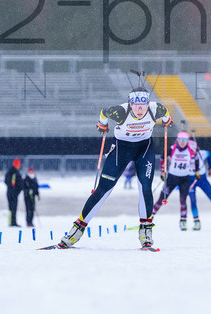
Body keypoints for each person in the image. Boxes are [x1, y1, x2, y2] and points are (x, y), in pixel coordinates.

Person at [57, 86, 171, 250]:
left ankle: (146, 233)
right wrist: (102, 124)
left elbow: (166, 114)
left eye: (143, 105)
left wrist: (167, 120)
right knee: (103, 189)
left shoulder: (156, 109)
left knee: (146, 188)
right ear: (130, 104)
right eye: (136, 105)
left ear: (148, 104)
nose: (140, 109)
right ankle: (76, 232)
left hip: (144, 149)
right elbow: (104, 113)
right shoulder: (120, 111)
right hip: (121, 150)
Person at [152, 131, 197, 230]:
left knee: (183, 200)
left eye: (184, 140)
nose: (182, 142)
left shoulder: (191, 150)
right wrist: (163, 171)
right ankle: (150, 217)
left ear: (187, 141)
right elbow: (162, 157)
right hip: (172, 178)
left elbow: (197, 158)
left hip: (185, 178)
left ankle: (183, 221)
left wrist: (197, 171)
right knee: (162, 199)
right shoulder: (172, 149)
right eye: (180, 139)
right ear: (177, 140)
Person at [5, 158, 23, 227]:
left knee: (11, 208)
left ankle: (12, 222)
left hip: (11, 192)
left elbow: (6, 181)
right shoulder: (14, 172)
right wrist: (15, 189)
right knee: (13, 208)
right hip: (13, 193)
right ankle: (12, 222)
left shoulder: (11, 171)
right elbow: (16, 183)